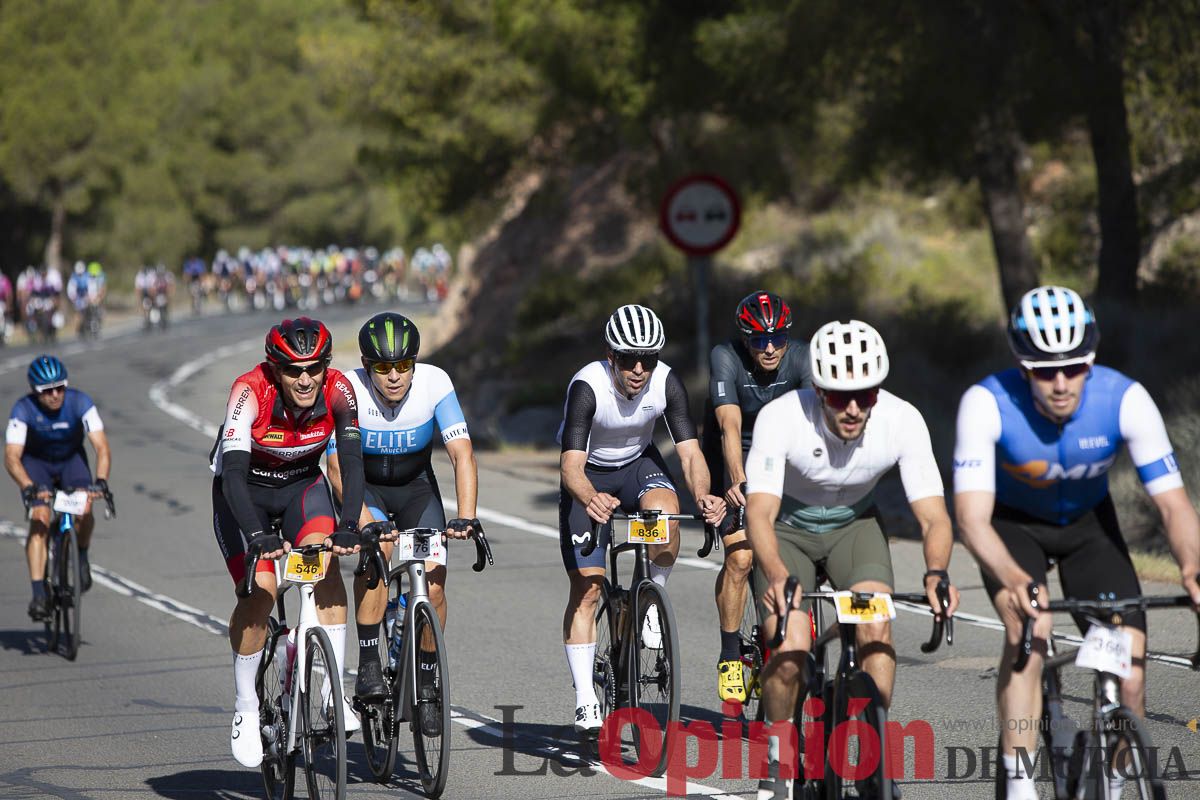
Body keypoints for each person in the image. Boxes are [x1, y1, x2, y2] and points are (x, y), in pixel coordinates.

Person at [952, 285, 1200, 800]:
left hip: (1089, 528)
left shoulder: (1125, 398)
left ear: (1092, 360)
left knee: (1129, 672)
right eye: (1045, 370)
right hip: (1011, 526)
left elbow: (1173, 504)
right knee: (1031, 625)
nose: (1061, 383)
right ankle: (1020, 778)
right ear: (1023, 367)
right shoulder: (987, 402)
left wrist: (1192, 568)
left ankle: (1110, 783)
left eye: (1074, 367)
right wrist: (1019, 580)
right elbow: (972, 520)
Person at [745, 319, 959, 800]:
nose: (855, 407)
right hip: (787, 532)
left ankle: (871, 749)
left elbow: (934, 518)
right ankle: (779, 755)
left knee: (876, 626)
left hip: (853, 529)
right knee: (790, 646)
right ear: (818, 389)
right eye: (841, 396)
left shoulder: (902, 420)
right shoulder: (781, 418)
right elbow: (759, 512)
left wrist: (937, 572)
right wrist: (777, 576)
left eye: (866, 394)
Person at [558, 304, 726, 735]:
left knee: (665, 515)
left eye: (648, 359)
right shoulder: (587, 386)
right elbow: (570, 467)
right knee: (588, 587)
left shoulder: (666, 383)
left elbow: (690, 454)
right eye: (629, 359)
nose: (638, 369)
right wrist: (591, 499)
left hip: (637, 466)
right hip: (590, 472)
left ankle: (651, 600)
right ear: (610, 356)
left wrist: (704, 495)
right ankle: (584, 699)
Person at [211, 318, 367, 768]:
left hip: (301, 487)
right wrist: (258, 534)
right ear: (274, 368)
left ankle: (330, 690)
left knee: (325, 566)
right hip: (245, 495)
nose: (305, 379)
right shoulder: (248, 391)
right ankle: (245, 706)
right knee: (260, 593)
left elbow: (352, 463)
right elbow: (235, 475)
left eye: (314, 368)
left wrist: (350, 523)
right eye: (294, 370)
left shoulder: (339, 389)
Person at [325, 312, 477, 738]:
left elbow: (462, 454)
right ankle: (370, 662)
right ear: (366, 365)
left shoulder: (435, 383)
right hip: (365, 488)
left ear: (414, 363)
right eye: (382, 368)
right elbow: (336, 466)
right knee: (380, 553)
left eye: (402, 366)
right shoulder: (347, 388)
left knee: (435, 579)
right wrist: (365, 521)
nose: (393, 377)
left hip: (415, 490)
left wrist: (466, 515)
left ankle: (427, 682)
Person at [702, 290, 812, 703]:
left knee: (789, 551)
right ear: (744, 338)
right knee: (742, 556)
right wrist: (737, 481)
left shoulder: (803, 358)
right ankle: (731, 656)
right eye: (758, 340)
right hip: (731, 454)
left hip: (778, 454)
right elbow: (729, 426)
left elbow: (812, 425)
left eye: (777, 339)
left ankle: (782, 647)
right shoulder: (725, 356)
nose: (768, 348)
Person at [5, 356, 112, 620]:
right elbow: (11, 457)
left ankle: (82, 554)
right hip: (36, 465)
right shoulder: (23, 409)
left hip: (70, 462)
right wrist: (28, 486)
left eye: (60, 388)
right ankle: (39, 592)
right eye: (47, 391)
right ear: (35, 391)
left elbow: (101, 447)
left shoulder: (80, 402)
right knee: (40, 518)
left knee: (85, 507)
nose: (55, 395)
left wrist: (101, 481)